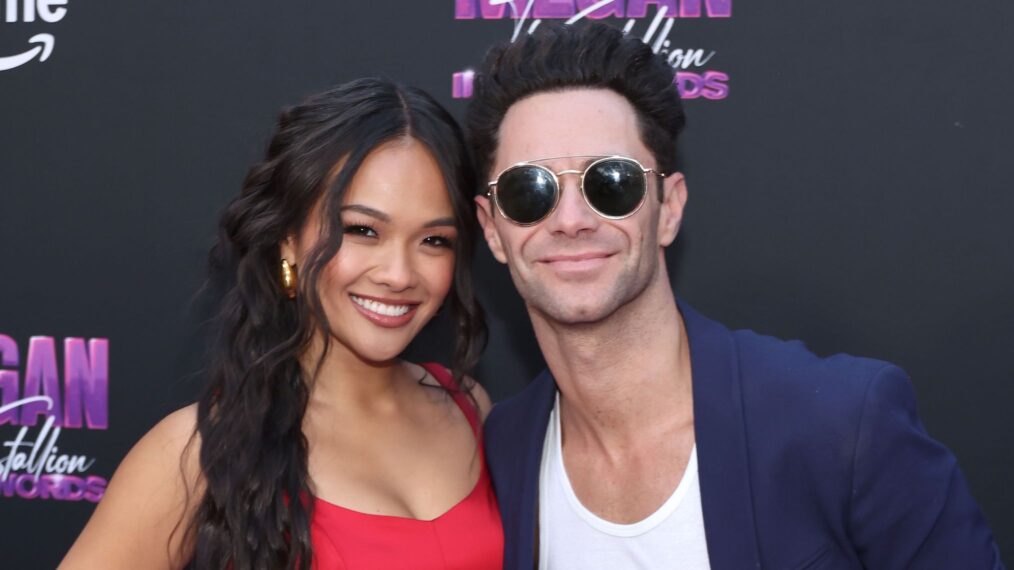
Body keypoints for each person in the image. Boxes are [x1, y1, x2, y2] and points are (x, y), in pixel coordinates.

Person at [467, 23, 1005, 570]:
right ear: (492, 229)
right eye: (529, 189)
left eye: (611, 182)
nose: (573, 221)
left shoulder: (844, 422)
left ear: (669, 209)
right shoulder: (501, 453)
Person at [60, 78, 502, 569]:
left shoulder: (469, 408)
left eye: (434, 240)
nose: (399, 274)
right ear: (288, 239)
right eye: (361, 230)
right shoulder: (198, 453)